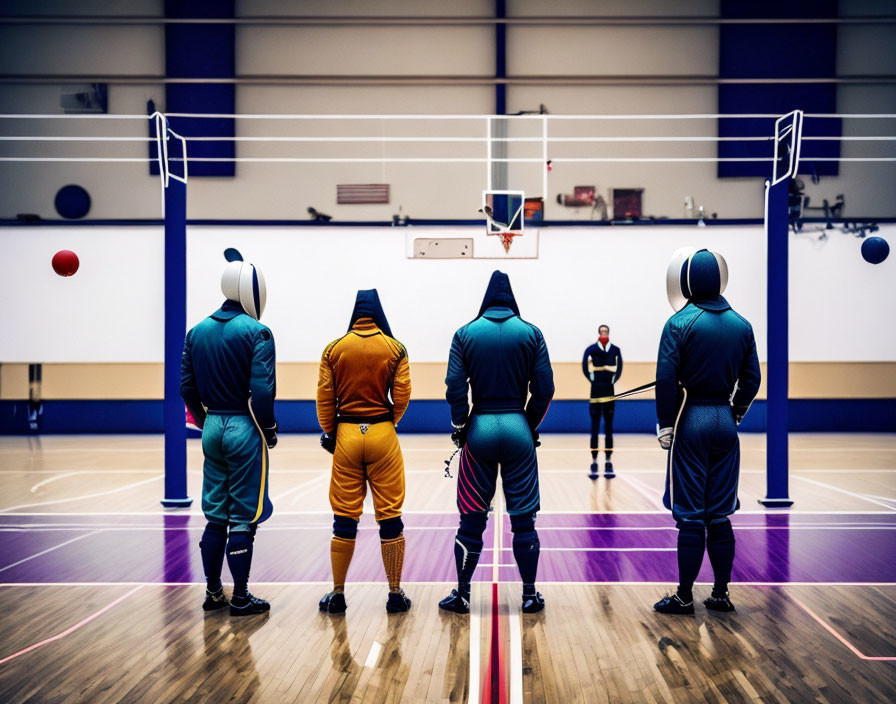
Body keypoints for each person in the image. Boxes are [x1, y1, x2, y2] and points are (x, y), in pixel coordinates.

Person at [440, 271, 555, 614]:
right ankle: (530, 595)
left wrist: (461, 425)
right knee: (524, 519)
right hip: (518, 426)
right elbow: (545, 389)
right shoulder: (532, 333)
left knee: (472, 517)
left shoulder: (465, 334)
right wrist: (528, 424)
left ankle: (461, 594)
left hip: (480, 428)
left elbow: (455, 388)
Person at [653, 248, 760, 615]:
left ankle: (684, 596)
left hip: (691, 419)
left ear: (687, 281)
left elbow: (666, 379)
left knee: (691, 516)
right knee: (719, 514)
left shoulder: (679, 323)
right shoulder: (742, 325)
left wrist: (666, 423)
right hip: (725, 420)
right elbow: (752, 380)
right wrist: (737, 412)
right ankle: (720, 594)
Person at [181, 248, 277, 616]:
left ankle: (212, 592)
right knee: (243, 516)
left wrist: (204, 420)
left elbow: (186, 388)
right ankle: (240, 596)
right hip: (243, 426)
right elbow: (263, 392)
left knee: (215, 514)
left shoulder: (196, 332)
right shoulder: (258, 333)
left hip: (211, 426)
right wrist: (267, 429)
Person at [317, 289, 412, 614]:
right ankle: (395, 594)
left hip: (346, 434)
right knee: (390, 514)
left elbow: (325, 399)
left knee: (344, 516)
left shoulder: (334, 349)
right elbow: (402, 396)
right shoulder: (395, 348)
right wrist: (388, 421)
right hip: (383, 433)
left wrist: (331, 433)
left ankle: (338, 594)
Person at [582, 324, 623, 479]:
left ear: (609, 333)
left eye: (606, 331)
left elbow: (619, 369)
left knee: (608, 429)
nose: (604, 333)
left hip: (610, 396)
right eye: (602, 331)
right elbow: (585, 368)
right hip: (595, 396)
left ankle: (608, 461)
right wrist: (594, 380)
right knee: (594, 429)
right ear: (598, 333)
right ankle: (593, 462)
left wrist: (611, 381)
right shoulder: (591, 350)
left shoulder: (615, 350)